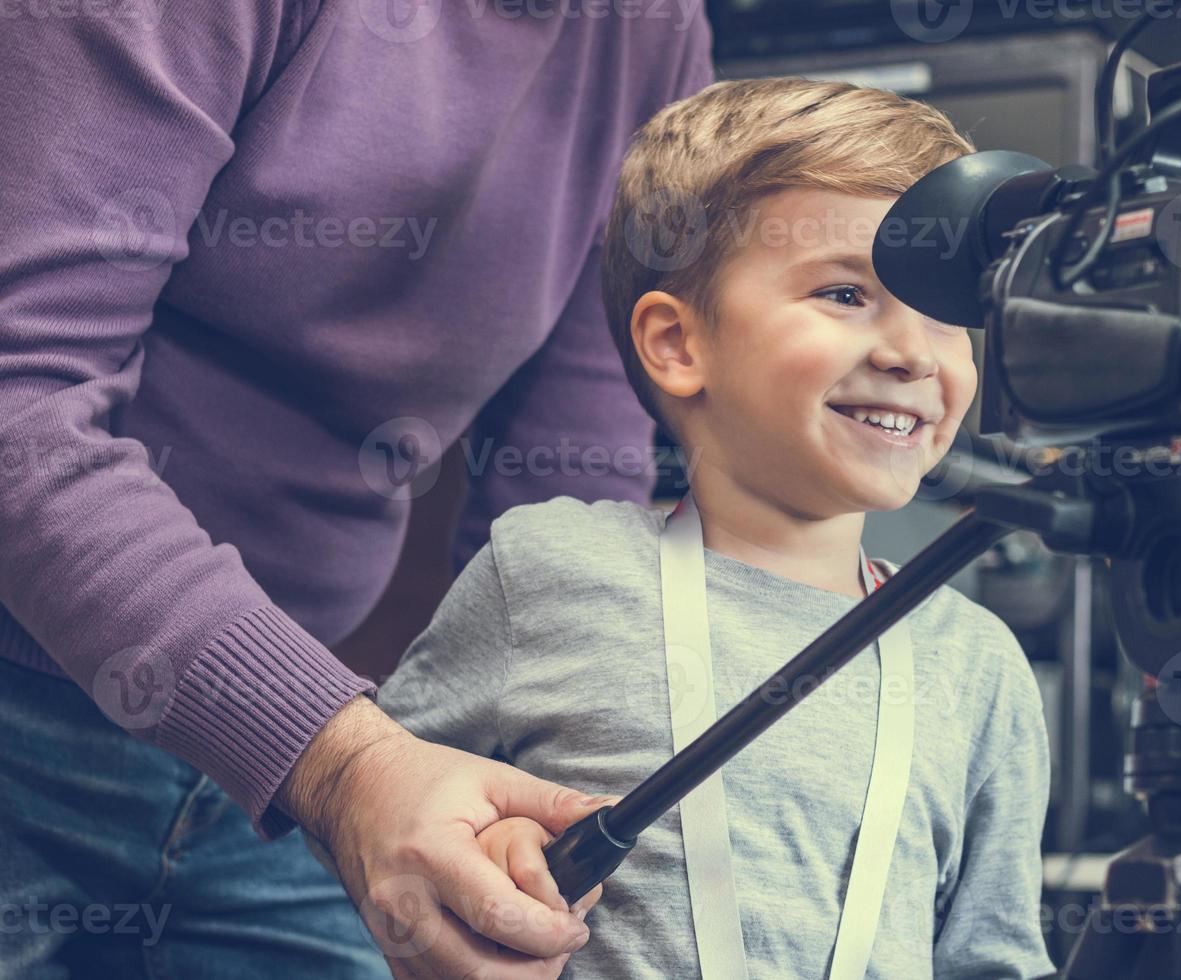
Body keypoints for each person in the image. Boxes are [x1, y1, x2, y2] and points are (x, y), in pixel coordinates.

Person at [0, 3, 713, 978]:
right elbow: (18, 406)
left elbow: (564, 475)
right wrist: (344, 764)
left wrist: (541, 799)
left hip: (273, 761)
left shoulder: (650, 30)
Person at [380, 77, 1056, 979]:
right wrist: (477, 863)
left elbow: (991, 956)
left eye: (946, 312)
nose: (910, 352)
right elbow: (382, 827)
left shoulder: (981, 666)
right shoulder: (545, 570)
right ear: (677, 344)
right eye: (847, 294)